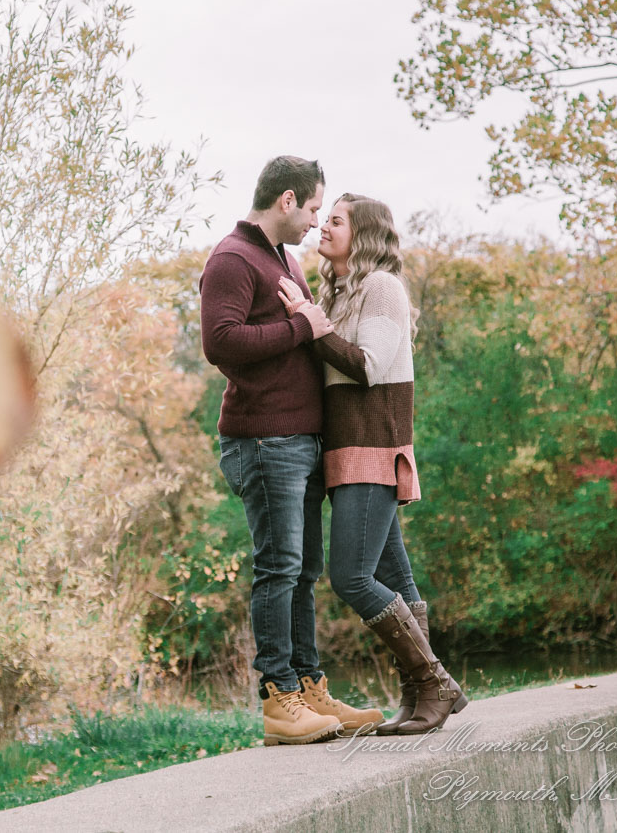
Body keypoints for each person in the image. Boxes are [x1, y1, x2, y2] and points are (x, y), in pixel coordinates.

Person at [199, 157, 384, 746]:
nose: (314, 221)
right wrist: (303, 329)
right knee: (278, 567)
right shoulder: (232, 258)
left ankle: (308, 689)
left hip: (299, 440)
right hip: (263, 440)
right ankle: (279, 700)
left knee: (302, 571)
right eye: (311, 209)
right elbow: (220, 341)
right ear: (286, 201)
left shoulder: (284, 260)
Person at [278, 193, 468, 735]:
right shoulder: (340, 293)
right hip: (346, 451)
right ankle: (420, 699)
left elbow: (366, 366)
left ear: (363, 234)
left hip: (373, 446)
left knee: (352, 577)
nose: (323, 228)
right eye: (326, 219)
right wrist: (315, 316)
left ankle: (435, 683)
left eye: (336, 221)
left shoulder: (382, 287)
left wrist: (308, 320)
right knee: (394, 577)